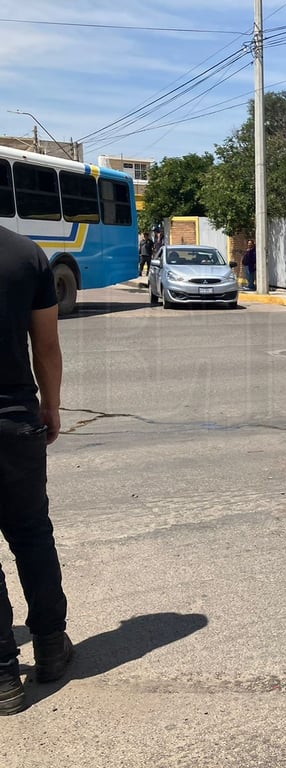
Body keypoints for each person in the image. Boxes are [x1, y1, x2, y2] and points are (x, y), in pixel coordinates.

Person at [0, 227, 74, 715]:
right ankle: (49, 645)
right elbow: (45, 346)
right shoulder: (27, 255)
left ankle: (4, 678)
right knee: (31, 534)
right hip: (15, 423)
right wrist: (51, 406)